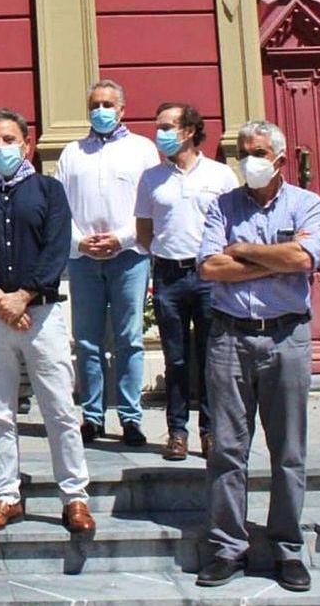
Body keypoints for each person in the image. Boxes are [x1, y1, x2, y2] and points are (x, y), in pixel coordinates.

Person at [195, 120, 320, 593]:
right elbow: (210, 266)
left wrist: (246, 251)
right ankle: (228, 545)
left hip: (288, 337)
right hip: (230, 338)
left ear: (280, 158)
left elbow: (304, 260)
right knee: (228, 449)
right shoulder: (221, 206)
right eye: (244, 151)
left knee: (288, 451)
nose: (250, 159)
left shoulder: (306, 203)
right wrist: (276, 257)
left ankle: (287, 547)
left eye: (260, 151)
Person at [0, 109, 95, 535]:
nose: (1, 148)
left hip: (43, 316)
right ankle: (6, 496)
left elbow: (56, 249)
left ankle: (74, 498)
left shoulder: (50, 191)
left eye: (9, 139)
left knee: (59, 410)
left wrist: (25, 295)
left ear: (27, 143)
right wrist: (0, 299)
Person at [55, 79, 160, 447]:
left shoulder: (143, 150)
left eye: (107, 104)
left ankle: (130, 418)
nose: (100, 110)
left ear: (122, 110)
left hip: (128, 257)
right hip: (84, 258)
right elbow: (60, 207)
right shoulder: (72, 153)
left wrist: (123, 237)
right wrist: (79, 241)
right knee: (87, 340)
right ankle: (93, 416)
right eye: (94, 104)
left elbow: (150, 204)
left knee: (129, 338)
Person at [136, 103, 238, 461]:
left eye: (168, 126)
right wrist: (168, 255)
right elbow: (144, 230)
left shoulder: (221, 175)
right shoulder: (151, 177)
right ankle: (177, 432)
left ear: (190, 130)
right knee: (175, 358)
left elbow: (233, 227)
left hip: (210, 274)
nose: (160, 133)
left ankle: (211, 432)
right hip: (168, 275)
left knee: (213, 358)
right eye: (158, 125)